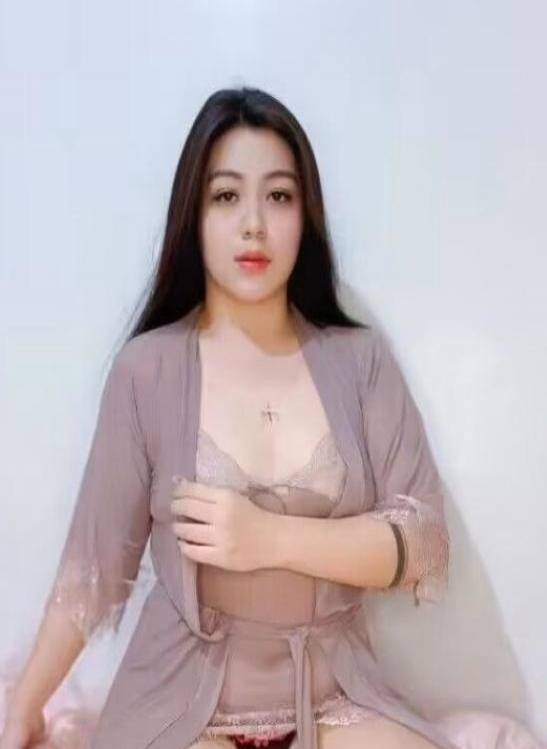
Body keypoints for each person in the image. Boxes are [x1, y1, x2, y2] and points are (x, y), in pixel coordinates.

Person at [0, 87, 543, 749]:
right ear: (194, 215)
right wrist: (24, 706)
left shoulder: (360, 359)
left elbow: (422, 542)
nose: (253, 224)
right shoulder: (147, 369)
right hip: (181, 700)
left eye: (278, 196)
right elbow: (91, 571)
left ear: (304, 215)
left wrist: (267, 537)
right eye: (226, 196)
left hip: (336, 692)